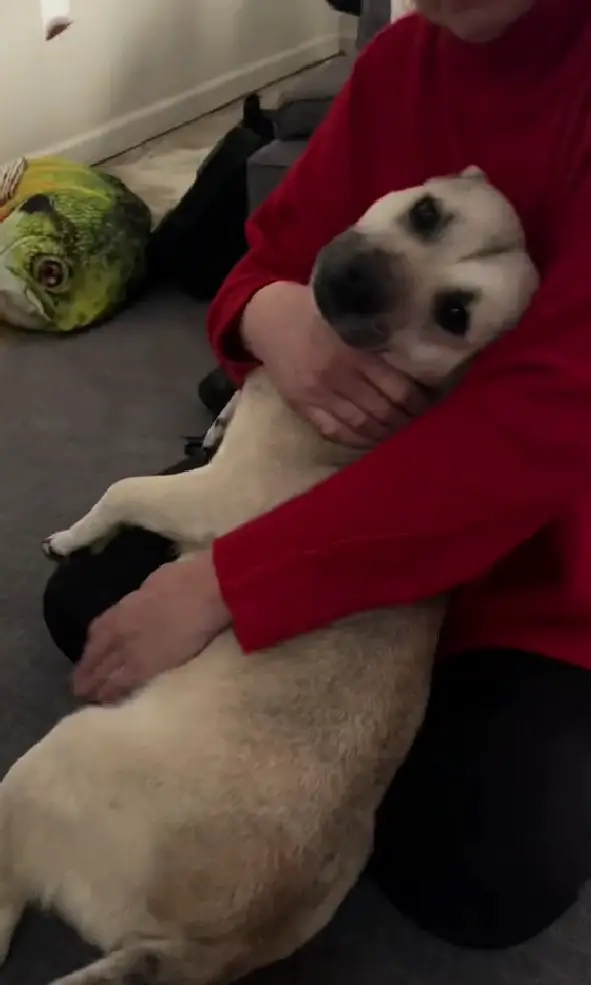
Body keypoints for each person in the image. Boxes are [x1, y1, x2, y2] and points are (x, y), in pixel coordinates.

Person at [43, 0, 591, 952]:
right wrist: (273, 317)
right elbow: (263, 262)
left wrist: (230, 582)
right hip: (326, 470)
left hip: (533, 555)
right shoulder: (398, 65)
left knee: (485, 876)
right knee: (87, 606)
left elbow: (540, 436)